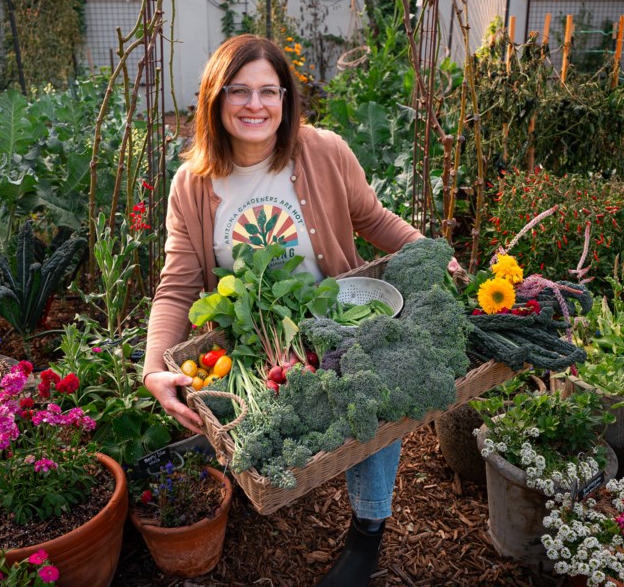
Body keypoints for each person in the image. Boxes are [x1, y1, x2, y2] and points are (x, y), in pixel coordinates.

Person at [142, 34, 430, 586]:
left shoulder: (324, 151)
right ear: (214, 99)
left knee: (383, 382)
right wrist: (155, 366)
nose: (255, 105)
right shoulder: (192, 184)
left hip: (338, 323)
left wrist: (435, 256)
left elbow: (375, 219)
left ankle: (369, 527)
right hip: (254, 341)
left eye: (268, 91)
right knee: (267, 435)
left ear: (285, 98)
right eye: (239, 91)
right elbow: (177, 286)